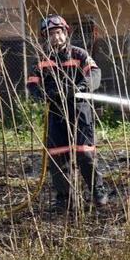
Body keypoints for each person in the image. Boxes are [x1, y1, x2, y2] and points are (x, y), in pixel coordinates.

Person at [26, 14, 109, 211]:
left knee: (85, 154)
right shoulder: (41, 60)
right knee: (57, 156)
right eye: (51, 34)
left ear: (65, 34)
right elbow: (32, 84)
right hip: (55, 113)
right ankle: (65, 197)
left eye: (58, 33)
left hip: (80, 111)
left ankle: (97, 192)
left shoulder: (79, 54)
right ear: (46, 38)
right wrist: (44, 94)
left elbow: (95, 73)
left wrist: (82, 87)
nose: (56, 37)